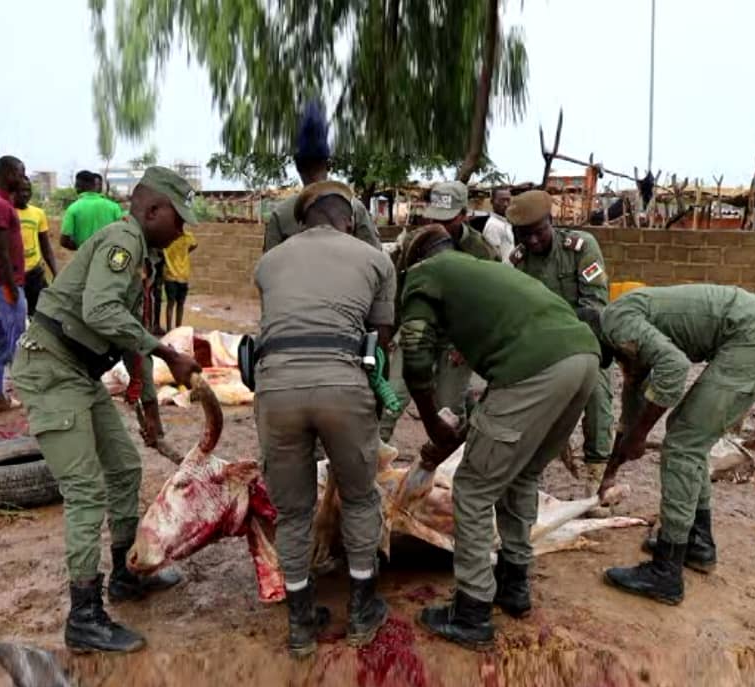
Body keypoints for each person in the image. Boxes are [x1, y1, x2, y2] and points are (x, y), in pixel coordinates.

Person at [10, 166, 201, 653]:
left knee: (124, 465)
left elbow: (128, 332)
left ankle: (124, 575)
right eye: (179, 221)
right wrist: (169, 352)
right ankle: (85, 615)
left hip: (78, 372)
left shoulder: (142, 256)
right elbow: (100, 313)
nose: (182, 231)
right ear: (154, 210)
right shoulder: (123, 238)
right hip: (52, 368)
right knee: (85, 491)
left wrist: (150, 406)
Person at [398, 225, 600, 649]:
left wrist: (433, 423)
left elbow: (415, 356)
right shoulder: (485, 274)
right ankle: (514, 584)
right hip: (584, 360)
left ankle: (472, 612)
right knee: (522, 475)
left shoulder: (425, 273)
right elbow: (507, 370)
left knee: (472, 489)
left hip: (537, 370)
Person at [255, 181, 396, 658]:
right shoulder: (375, 259)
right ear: (351, 222)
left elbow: (274, 322)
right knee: (359, 498)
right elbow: (381, 340)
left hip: (275, 388)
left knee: (292, 510)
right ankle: (361, 611)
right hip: (343, 383)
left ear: (302, 223)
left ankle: (300, 623)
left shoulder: (269, 262)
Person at [596, 285, 755, 605]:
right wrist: (612, 472)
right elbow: (632, 401)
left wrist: (640, 435)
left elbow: (674, 367)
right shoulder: (628, 332)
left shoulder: (616, 323)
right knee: (686, 434)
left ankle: (666, 573)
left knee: (683, 444)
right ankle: (696, 544)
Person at [507, 190, 614, 495]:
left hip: (587, 339)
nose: (533, 241)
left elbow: (595, 306)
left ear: (551, 222)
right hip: (544, 347)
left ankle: (597, 477)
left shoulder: (581, 247)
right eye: (524, 235)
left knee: (597, 398)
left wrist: (549, 320)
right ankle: (531, 477)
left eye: (538, 232)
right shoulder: (518, 260)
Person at [378, 181, 500, 442]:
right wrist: (390, 332)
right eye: (435, 218)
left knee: (449, 410)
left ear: (464, 215)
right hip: (416, 328)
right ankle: (372, 461)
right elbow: (398, 289)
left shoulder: (481, 251)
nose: (440, 226)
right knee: (392, 397)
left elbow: (487, 302)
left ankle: (453, 465)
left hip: (455, 337)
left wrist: (468, 344)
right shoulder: (415, 241)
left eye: (448, 219)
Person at [263, 101, 381, 253]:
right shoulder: (355, 210)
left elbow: (268, 270)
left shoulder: (280, 216)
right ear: (329, 163)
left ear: (297, 166)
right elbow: (378, 263)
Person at [0, 157, 29, 414]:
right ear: (9, 173)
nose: (23, 178)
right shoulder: (0, 207)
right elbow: (1, 252)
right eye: (21, 173)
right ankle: (26, 392)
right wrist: (12, 287)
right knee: (17, 339)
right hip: (3, 282)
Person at [15, 178, 59, 316]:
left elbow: (45, 246)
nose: (25, 194)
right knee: (19, 317)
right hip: (14, 275)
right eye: (21, 190)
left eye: (28, 190)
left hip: (35, 273)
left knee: (42, 314)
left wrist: (56, 272)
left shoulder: (38, 213)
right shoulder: (6, 212)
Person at [60, 170, 123, 251]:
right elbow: (122, 234)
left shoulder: (73, 208)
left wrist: (82, 248)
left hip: (85, 260)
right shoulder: (114, 207)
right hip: (108, 257)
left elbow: (64, 241)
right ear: (94, 185)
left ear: (78, 186)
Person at [162, 228, 196, 329]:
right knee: (180, 305)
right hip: (180, 275)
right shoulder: (187, 236)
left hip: (171, 275)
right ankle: (178, 329)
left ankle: (170, 330)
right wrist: (185, 252)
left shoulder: (168, 237)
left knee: (171, 304)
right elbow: (195, 245)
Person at [482, 187, 515, 263]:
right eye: (502, 200)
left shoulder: (506, 223)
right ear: (492, 202)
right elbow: (493, 259)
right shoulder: (493, 226)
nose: (506, 204)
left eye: (508, 200)